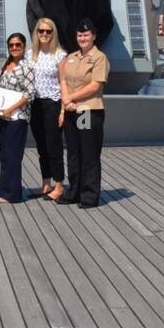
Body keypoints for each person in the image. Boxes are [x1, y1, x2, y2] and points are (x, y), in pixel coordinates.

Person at [57, 17, 110, 208]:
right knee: (73, 152)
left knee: (88, 153)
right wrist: (66, 99)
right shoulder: (71, 58)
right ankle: (74, 191)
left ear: (93, 36)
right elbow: (63, 79)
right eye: (80, 34)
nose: (82, 37)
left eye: (86, 34)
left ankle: (89, 195)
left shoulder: (99, 58)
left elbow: (95, 85)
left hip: (87, 110)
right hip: (71, 110)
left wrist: (71, 98)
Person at [26, 16, 67, 200]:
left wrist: (63, 110)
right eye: (40, 31)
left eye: (48, 31)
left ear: (53, 33)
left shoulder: (60, 55)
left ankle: (59, 185)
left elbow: (65, 84)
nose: (44, 34)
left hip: (53, 103)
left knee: (54, 146)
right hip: (35, 104)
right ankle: (46, 183)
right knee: (42, 146)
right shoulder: (29, 54)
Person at [0, 32, 35, 203]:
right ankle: (4, 190)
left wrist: (11, 108)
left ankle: (13, 194)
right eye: (11, 45)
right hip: (3, 116)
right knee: (4, 154)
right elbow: (1, 84)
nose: (14, 48)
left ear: (24, 46)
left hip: (17, 116)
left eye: (18, 45)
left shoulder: (27, 67)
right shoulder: (7, 63)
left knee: (13, 155)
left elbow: (30, 93)